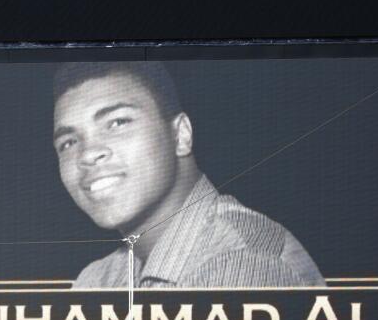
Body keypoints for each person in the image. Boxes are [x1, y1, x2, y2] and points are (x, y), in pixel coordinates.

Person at [54, 61, 324, 290]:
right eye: (68, 142)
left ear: (180, 135)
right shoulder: (97, 279)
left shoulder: (242, 262)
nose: (87, 154)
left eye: (118, 123)